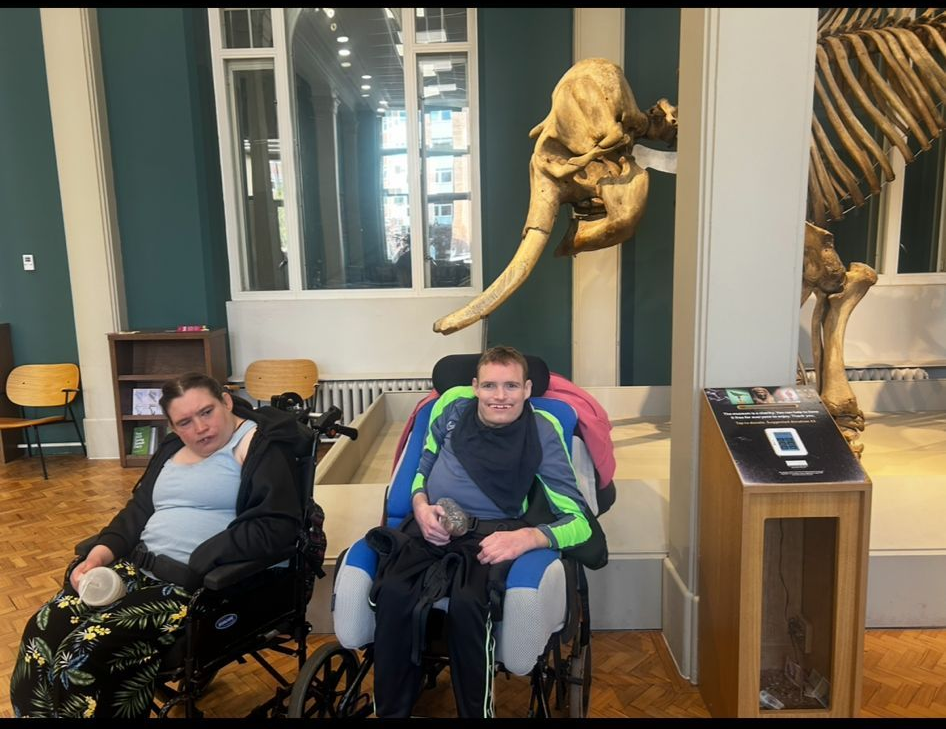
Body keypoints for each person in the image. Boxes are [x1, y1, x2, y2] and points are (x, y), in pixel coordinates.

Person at [9, 373, 307, 719]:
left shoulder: (258, 445)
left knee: (85, 651)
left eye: (207, 412)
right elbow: (139, 510)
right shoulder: (171, 449)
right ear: (172, 426)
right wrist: (100, 553)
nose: (200, 428)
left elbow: (278, 526)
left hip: (192, 586)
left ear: (226, 401)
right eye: (185, 422)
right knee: (41, 629)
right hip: (132, 570)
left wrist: (205, 556)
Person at [368, 346, 601, 718]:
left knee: (468, 605)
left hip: (494, 534)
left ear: (527, 389)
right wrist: (419, 506)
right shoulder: (450, 407)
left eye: (511, 386)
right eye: (490, 385)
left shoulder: (542, 430)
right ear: (475, 386)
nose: (500, 396)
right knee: (393, 592)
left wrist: (527, 538)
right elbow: (423, 465)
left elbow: (578, 522)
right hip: (431, 526)